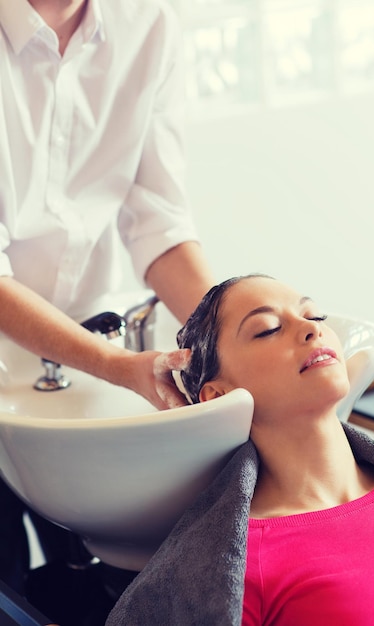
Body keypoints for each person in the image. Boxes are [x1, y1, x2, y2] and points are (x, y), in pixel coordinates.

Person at [0, 0, 214, 601]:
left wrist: (228, 330)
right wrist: (118, 367)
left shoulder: (148, 23)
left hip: (87, 354)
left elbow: (159, 225)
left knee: (101, 578)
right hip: (76, 360)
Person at [106, 274, 374, 625]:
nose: (312, 329)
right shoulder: (238, 567)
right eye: (267, 329)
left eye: (314, 315)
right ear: (218, 395)